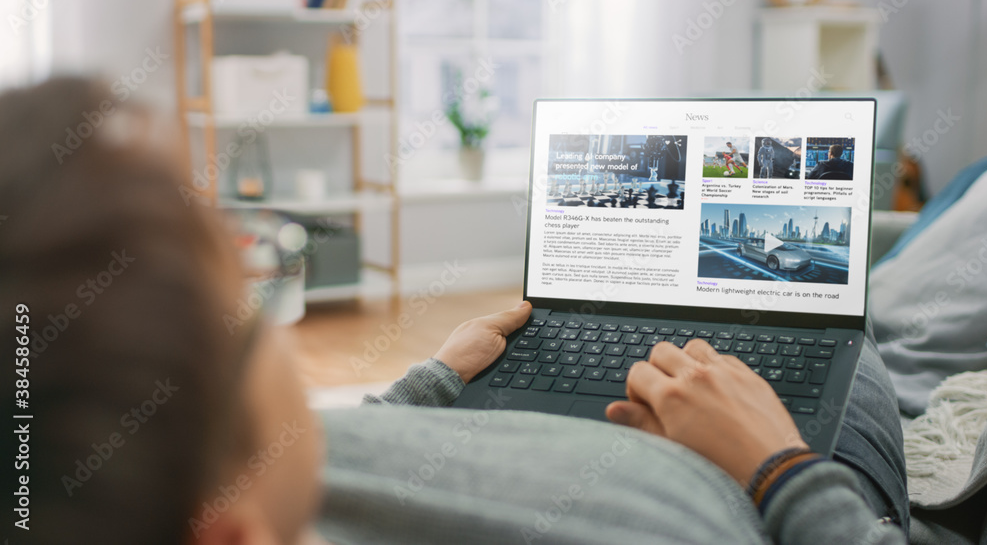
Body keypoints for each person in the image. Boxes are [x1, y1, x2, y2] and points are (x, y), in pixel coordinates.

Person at [2, 78, 908, 544]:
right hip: (767, 470)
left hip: (621, 417)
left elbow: (313, 449)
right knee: (859, 343)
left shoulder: (179, 479)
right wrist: (780, 464)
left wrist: (433, 382)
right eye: (245, 308)